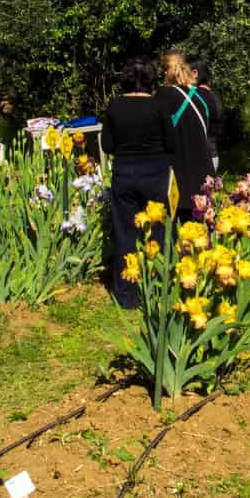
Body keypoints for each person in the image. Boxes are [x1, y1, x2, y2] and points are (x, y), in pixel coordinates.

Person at [103, 54, 174, 309]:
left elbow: (107, 144)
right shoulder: (159, 107)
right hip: (155, 173)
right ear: (152, 78)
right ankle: (155, 288)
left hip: (124, 172)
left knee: (124, 232)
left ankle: (126, 294)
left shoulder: (114, 107)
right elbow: (172, 143)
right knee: (156, 230)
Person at [157, 48, 212, 220]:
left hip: (177, 175)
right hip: (203, 171)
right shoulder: (202, 97)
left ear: (167, 71)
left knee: (173, 237)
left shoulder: (162, 96)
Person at [190, 56, 221, 176]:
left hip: (201, 159)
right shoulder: (213, 96)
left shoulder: (196, 97)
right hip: (213, 155)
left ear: (194, 73)